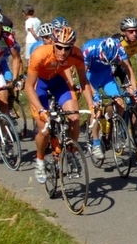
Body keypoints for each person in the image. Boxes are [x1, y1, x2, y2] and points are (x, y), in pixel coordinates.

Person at [26, 26, 95, 185]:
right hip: (39, 85)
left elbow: (83, 81)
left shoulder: (77, 54)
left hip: (58, 83)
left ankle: (70, 152)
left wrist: (91, 104)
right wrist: (42, 110)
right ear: (53, 44)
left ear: (73, 46)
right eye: (59, 47)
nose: (63, 52)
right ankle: (40, 160)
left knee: (75, 117)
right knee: (44, 129)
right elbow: (28, 86)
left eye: (67, 48)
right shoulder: (40, 54)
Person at [81, 36, 137, 162]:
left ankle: (112, 128)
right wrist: (94, 94)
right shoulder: (89, 49)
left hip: (107, 77)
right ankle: (96, 142)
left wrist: (135, 90)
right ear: (101, 52)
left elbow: (128, 69)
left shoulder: (119, 48)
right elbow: (83, 76)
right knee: (96, 109)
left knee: (120, 104)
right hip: (91, 77)